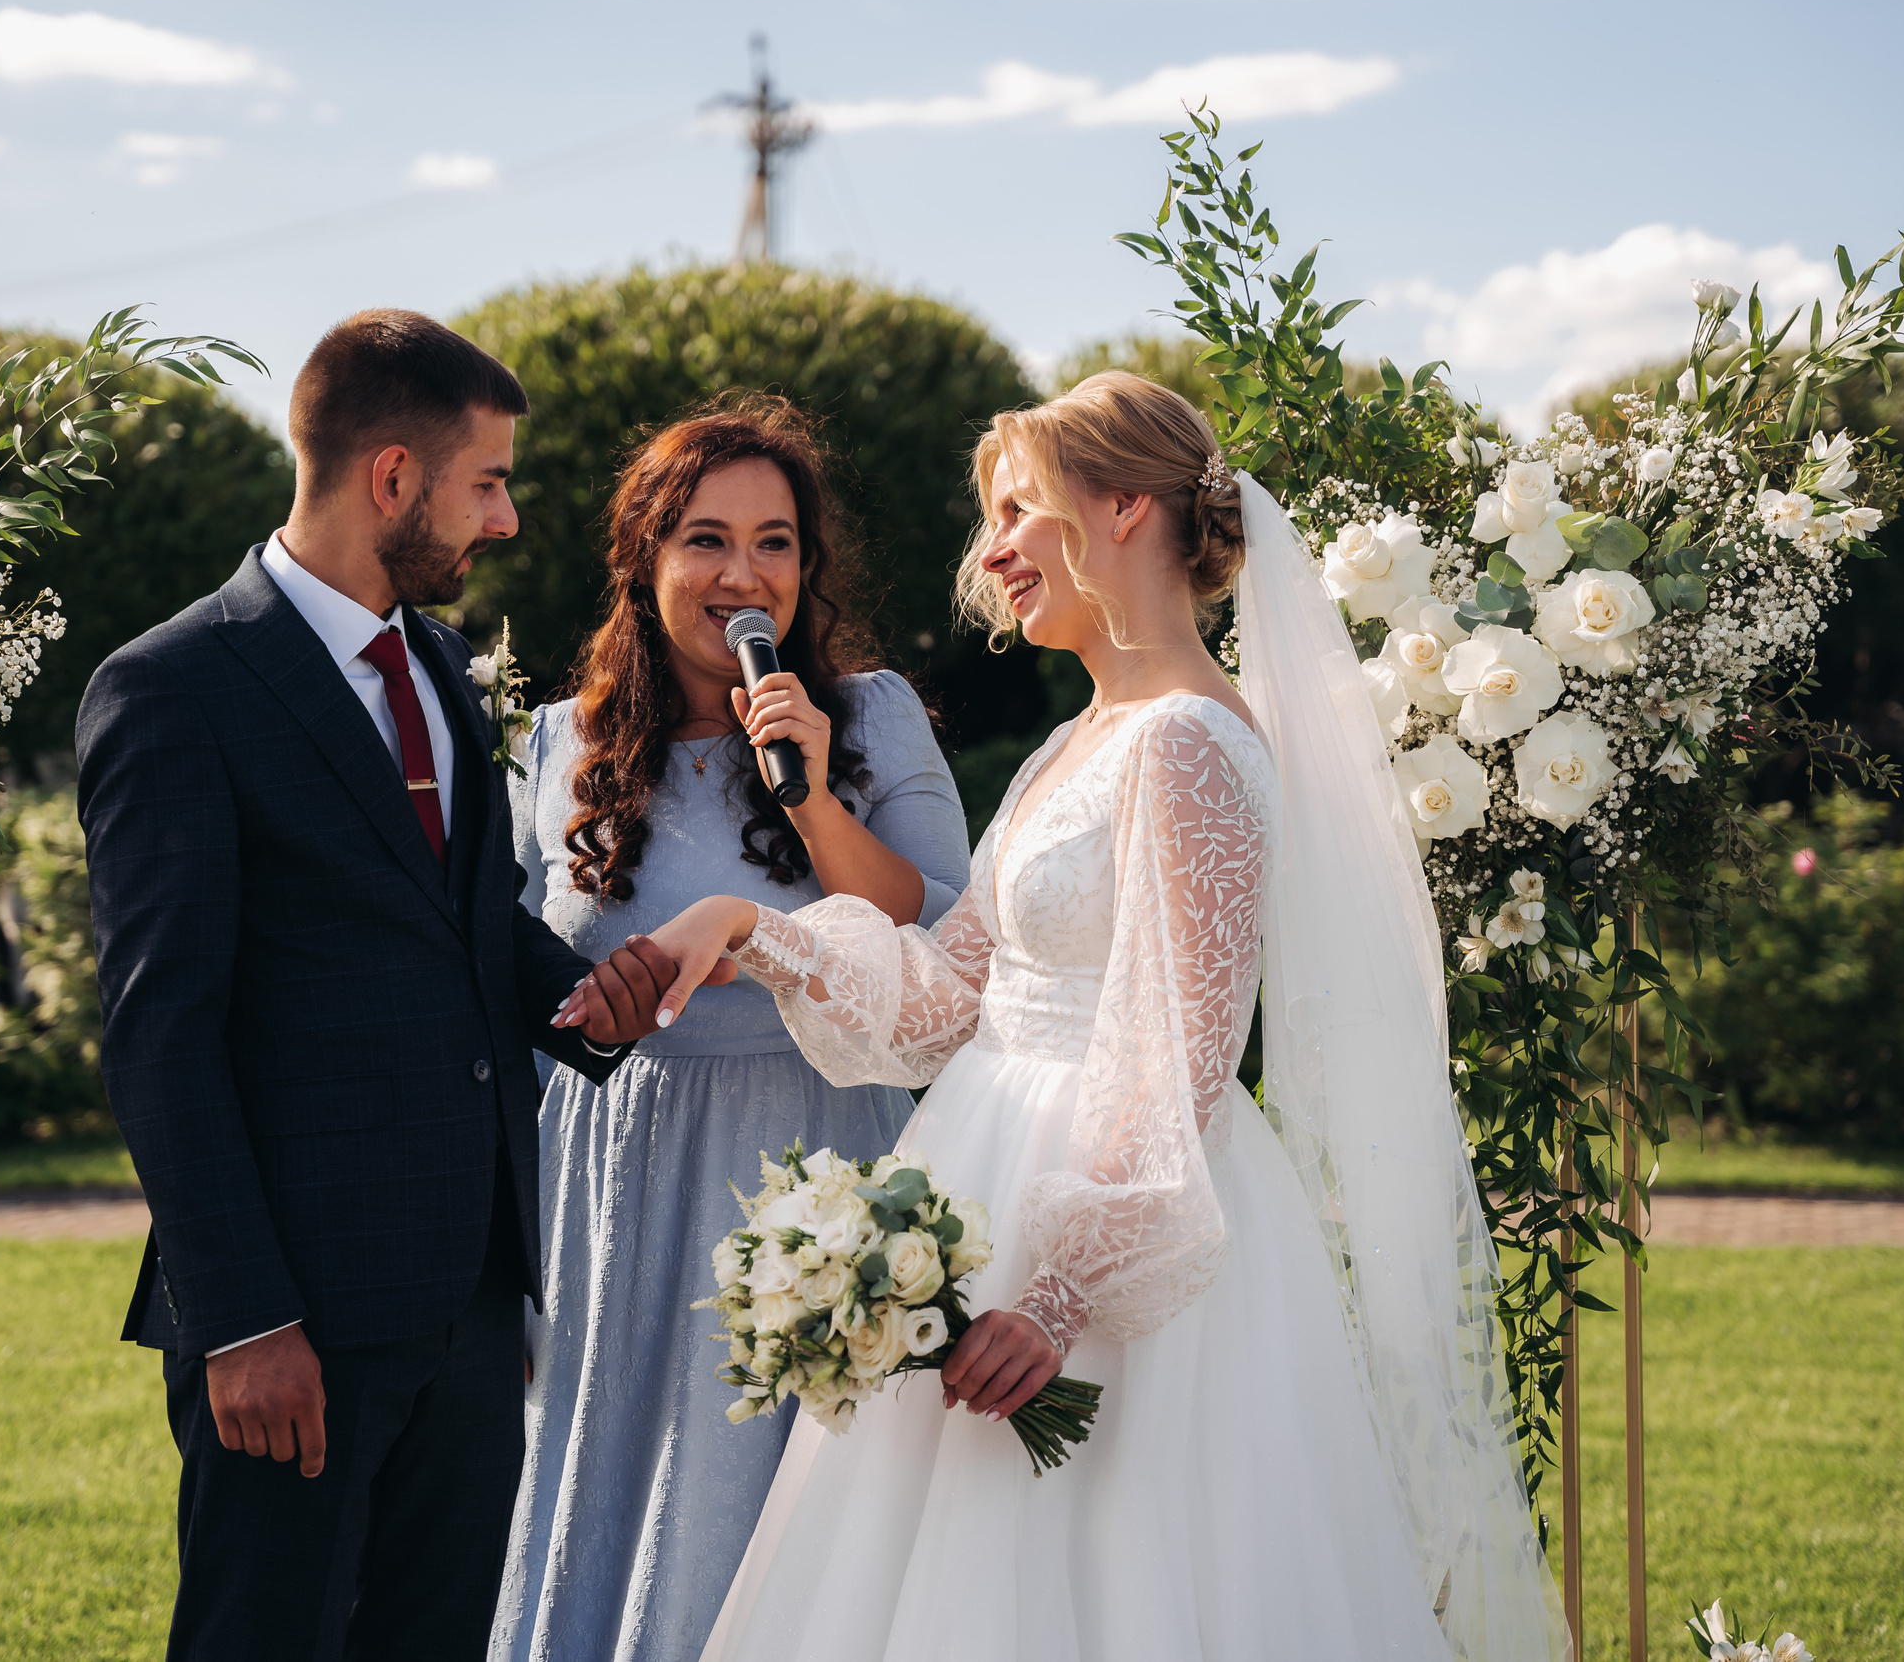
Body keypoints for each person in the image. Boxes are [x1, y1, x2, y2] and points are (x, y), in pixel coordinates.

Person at [622, 373, 1571, 1660]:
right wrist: (752, 931)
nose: (994, 552)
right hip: (991, 1174)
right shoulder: (1079, 742)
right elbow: (952, 991)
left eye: (1019, 512)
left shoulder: (1186, 744)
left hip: (1113, 1238)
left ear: (1124, 508)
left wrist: (1059, 1297)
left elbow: (1181, 1051)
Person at [77, 309, 680, 1662]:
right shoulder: (172, 689)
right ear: (392, 476)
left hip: (466, 1301)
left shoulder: (432, 665)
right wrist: (243, 1316)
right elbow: (160, 1034)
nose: (510, 519)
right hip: (291, 1314)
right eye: (490, 481)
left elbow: (464, 926)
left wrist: (588, 1001)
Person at [494, 398, 972, 1662]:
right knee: (612, 1474)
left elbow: (939, 942)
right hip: (613, 1168)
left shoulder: (866, 718)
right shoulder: (561, 743)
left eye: (775, 542)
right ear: (645, 561)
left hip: (811, 1153)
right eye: (705, 540)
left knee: (787, 1497)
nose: (742, 574)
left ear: (806, 569)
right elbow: (517, 960)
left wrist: (810, 794)